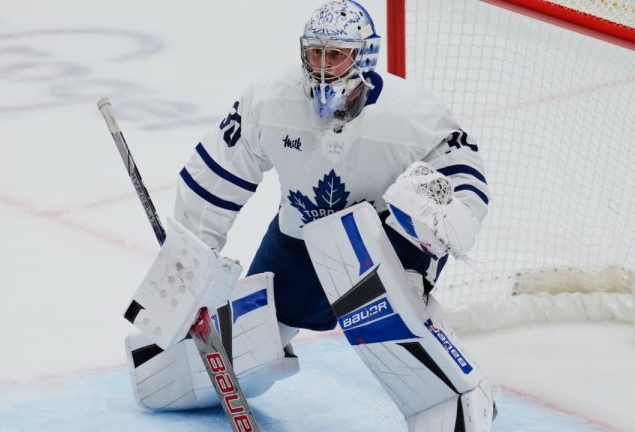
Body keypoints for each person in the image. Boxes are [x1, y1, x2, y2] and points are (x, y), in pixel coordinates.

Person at [125, 1, 495, 430]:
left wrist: (451, 214)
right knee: (175, 371)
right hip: (299, 236)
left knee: (392, 327)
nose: (321, 66)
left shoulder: (412, 114)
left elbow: (462, 170)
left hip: (387, 244)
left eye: (335, 54)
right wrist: (194, 266)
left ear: (364, 57)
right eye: (315, 53)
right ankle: (190, 371)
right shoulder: (270, 100)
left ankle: (454, 404)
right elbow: (214, 176)